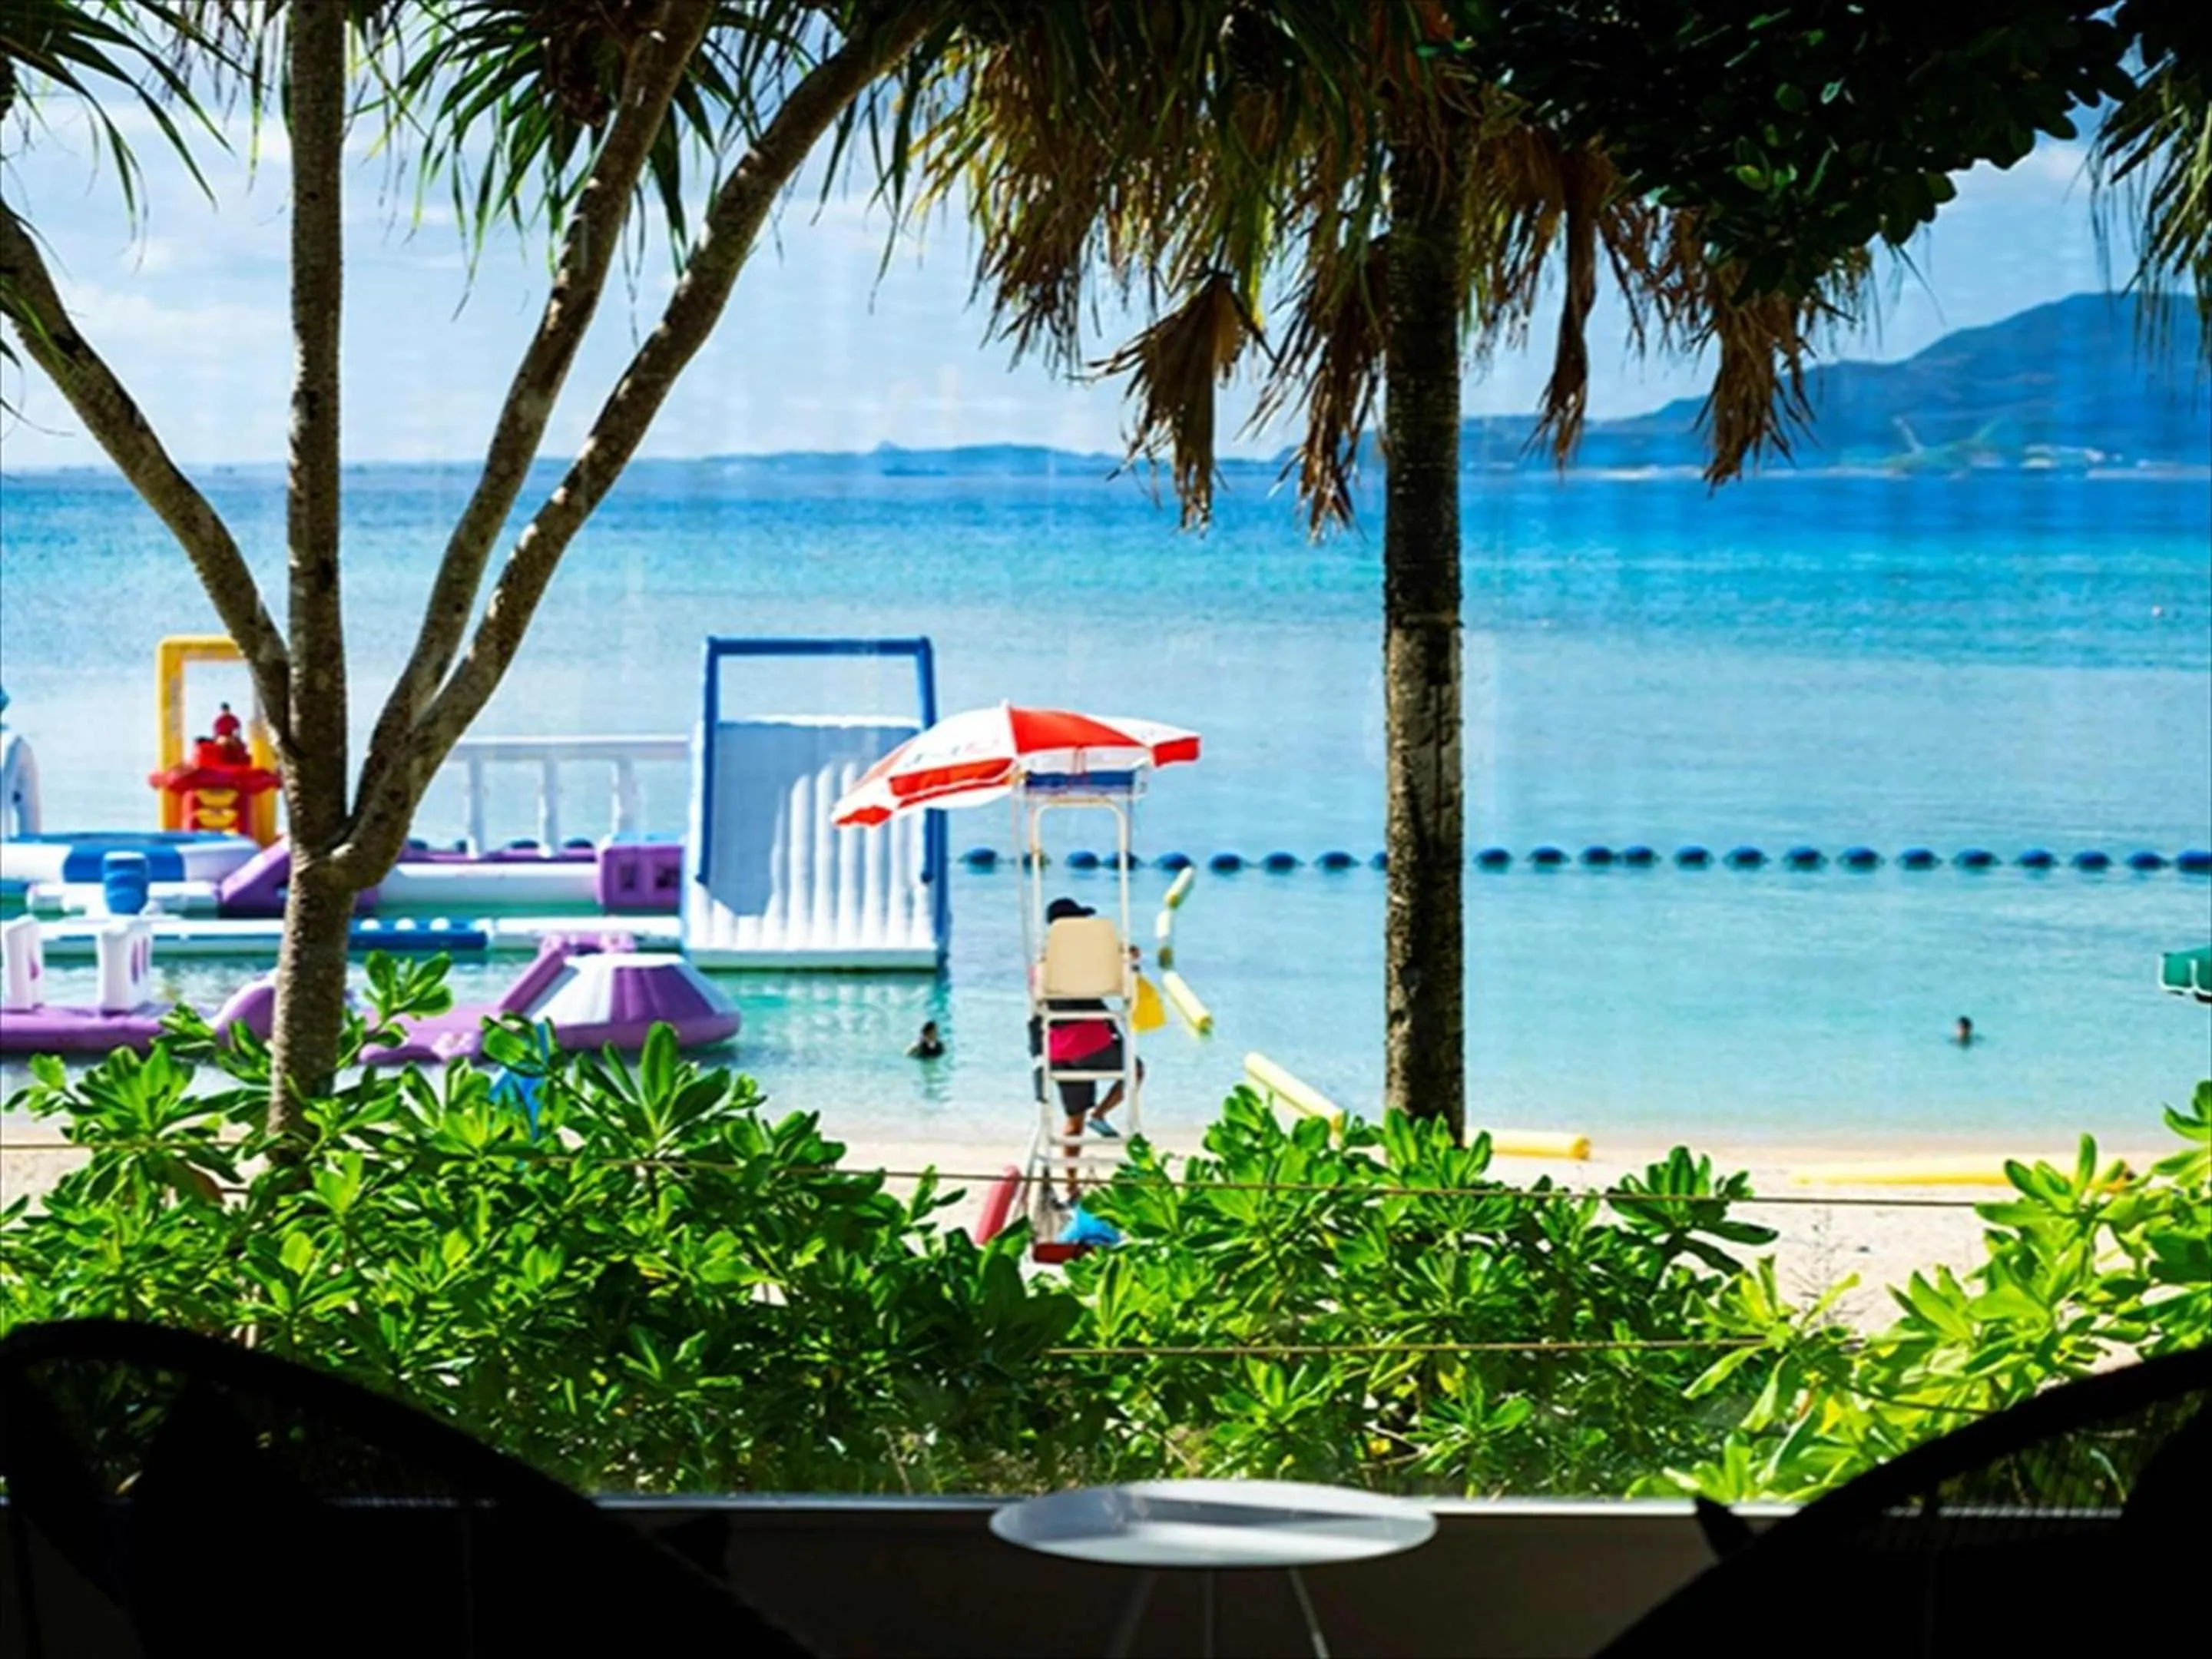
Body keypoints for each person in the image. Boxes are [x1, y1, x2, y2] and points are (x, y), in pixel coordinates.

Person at [1031, 896, 1144, 1197]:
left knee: (1072, 1122)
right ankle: (1102, 1114)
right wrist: (1128, 961)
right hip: (1092, 1043)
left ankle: (1070, 1186)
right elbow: (1119, 986)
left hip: (1058, 1052)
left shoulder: (1042, 964)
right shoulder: (1085, 962)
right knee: (1135, 1070)